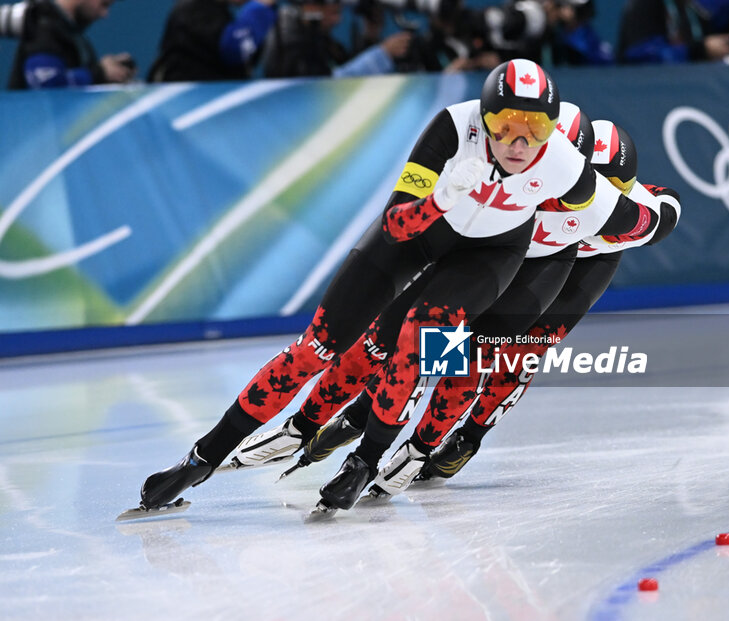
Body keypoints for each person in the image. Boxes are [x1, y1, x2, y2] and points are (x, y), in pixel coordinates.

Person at [131, 59, 608, 516]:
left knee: (433, 345)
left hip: (494, 257)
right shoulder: (451, 129)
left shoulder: (566, 166)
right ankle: (203, 459)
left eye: (535, 129)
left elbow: (636, 219)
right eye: (504, 124)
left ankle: (384, 456)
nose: (518, 142)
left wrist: (659, 213)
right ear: (484, 118)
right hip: (422, 233)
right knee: (316, 350)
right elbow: (398, 227)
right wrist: (441, 199)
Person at [230, 119, 679, 505]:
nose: (586, 202)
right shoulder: (528, 176)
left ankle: (459, 438)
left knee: (506, 354)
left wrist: (657, 215)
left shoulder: (627, 215)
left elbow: (662, 212)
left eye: (608, 196)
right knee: (421, 338)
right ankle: (360, 412)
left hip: (570, 267)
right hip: (508, 251)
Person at [262, 0, 414, 79]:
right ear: (312, 7)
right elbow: (323, 85)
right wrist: (382, 54)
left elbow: (343, 66)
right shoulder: (291, 33)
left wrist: (369, 38)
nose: (338, 20)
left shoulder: (318, 35)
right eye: (333, 13)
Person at [7, 0, 135, 89]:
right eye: (104, 4)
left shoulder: (74, 36)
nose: (104, 14)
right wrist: (100, 73)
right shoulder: (43, 26)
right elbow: (46, 85)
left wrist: (108, 73)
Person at [148, 0, 277, 83]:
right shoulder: (193, 8)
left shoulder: (222, 12)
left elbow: (246, 59)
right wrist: (259, 7)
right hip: (191, 107)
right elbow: (234, 50)